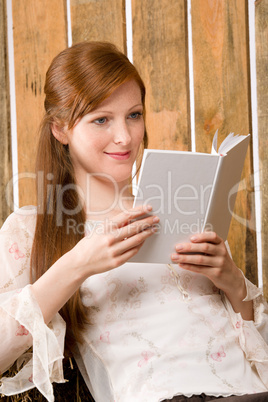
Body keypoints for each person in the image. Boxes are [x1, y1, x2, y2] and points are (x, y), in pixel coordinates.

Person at [0, 41, 268, 402]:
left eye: (134, 115)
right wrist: (79, 263)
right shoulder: (32, 229)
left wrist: (234, 284)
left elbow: (256, 351)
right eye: (101, 120)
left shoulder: (182, 202)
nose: (125, 137)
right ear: (60, 130)